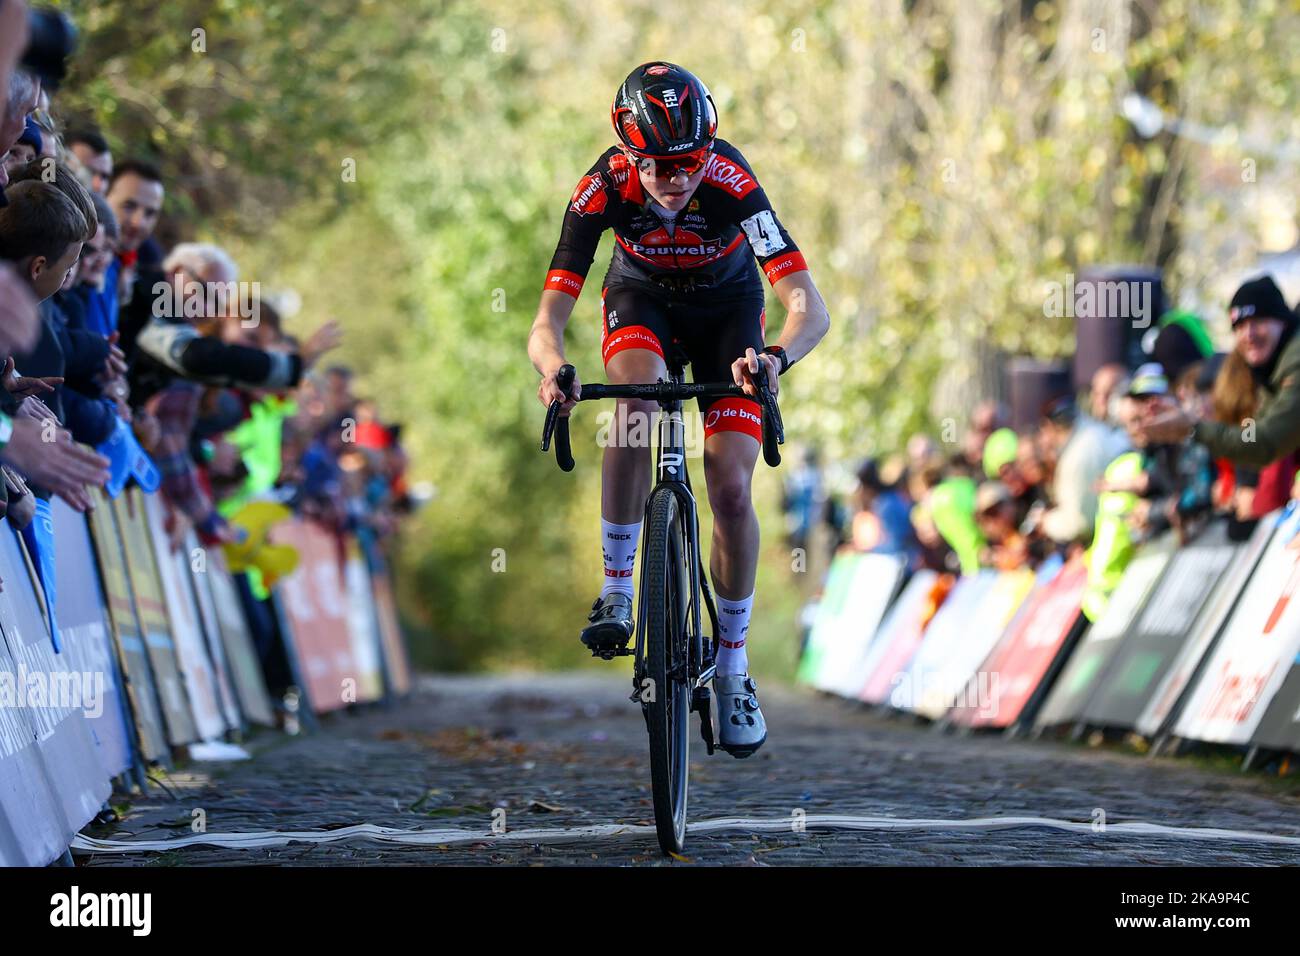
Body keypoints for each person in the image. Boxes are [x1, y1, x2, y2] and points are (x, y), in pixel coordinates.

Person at [527, 62, 830, 756]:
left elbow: (810, 308)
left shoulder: (730, 182)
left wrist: (776, 359)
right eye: (658, 166)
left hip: (729, 313)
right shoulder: (600, 188)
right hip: (642, 301)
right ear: (630, 155)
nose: (676, 177)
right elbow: (549, 317)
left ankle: (732, 669)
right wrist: (553, 369)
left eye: (689, 161)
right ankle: (616, 588)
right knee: (635, 399)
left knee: (728, 483)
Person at [1139, 276, 1300, 485]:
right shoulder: (1264, 373)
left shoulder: (1294, 365)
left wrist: (1195, 428)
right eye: (1240, 326)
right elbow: (1251, 435)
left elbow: (1266, 442)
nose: (1248, 334)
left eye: (1258, 321)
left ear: (1282, 321)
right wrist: (1192, 418)